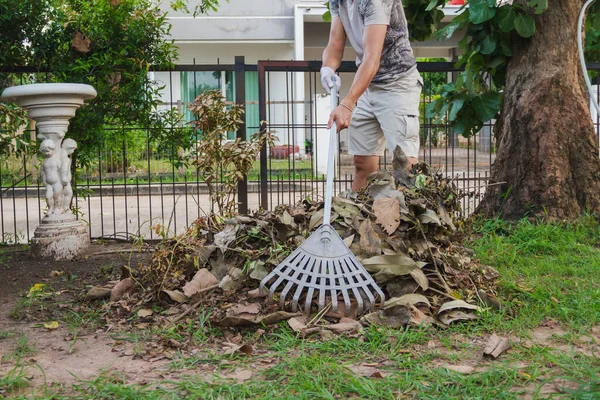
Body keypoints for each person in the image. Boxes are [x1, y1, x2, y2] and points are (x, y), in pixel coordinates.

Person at [321, 0, 423, 192]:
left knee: (406, 165)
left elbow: (371, 58)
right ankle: (361, 216)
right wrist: (327, 68)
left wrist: (347, 103)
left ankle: (416, 219)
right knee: (362, 163)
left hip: (398, 84)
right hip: (369, 85)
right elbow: (335, 43)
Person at [39, 139, 63, 216]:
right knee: (48, 197)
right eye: (45, 152)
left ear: (53, 149)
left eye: (48, 151)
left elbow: (61, 171)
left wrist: (61, 181)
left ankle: (58, 208)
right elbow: (42, 172)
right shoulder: (44, 161)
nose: (47, 153)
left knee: (57, 195)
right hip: (48, 183)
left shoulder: (56, 160)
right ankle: (50, 208)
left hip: (57, 182)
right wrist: (44, 181)